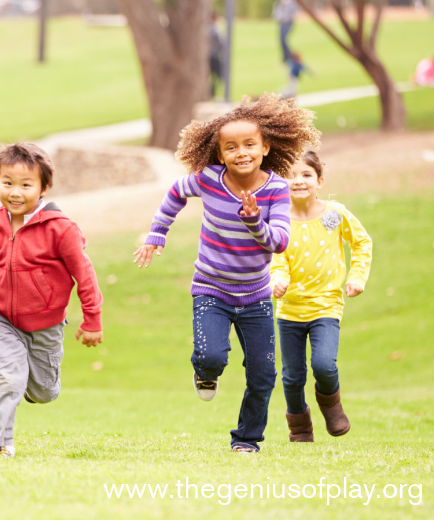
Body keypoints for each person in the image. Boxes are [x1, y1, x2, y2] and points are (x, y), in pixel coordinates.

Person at [133, 93, 320, 452]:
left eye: (250, 144)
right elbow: (175, 192)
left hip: (256, 297)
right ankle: (204, 373)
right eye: (231, 147)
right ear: (220, 154)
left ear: (266, 147)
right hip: (210, 290)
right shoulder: (208, 180)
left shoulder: (277, 191)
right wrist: (158, 232)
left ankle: (247, 440)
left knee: (264, 374)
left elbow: (279, 242)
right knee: (211, 357)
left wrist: (254, 223)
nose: (241, 152)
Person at [0, 142, 104, 458]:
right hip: (2, 321)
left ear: (44, 187)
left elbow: (85, 274)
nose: (15, 192)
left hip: (46, 325)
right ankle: (2, 445)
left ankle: (36, 386)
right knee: (6, 379)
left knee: (43, 391)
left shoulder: (61, 229)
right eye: (7, 183)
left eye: (26, 185)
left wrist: (92, 319)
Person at [271, 150, 372, 442]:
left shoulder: (334, 214)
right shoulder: (279, 222)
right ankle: (300, 427)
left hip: (326, 307)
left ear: (320, 181)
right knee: (292, 377)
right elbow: (275, 259)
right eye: (290, 175)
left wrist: (356, 277)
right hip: (289, 311)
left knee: (324, 365)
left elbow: (362, 242)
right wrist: (277, 280)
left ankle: (331, 405)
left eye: (306, 175)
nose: (298, 181)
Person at [209, 12, 227, 99]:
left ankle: (211, 93)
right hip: (213, 56)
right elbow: (221, 43)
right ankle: (211, 93)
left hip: (211, 56)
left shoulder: (208, 28)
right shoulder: (214, 30)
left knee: (213, 76)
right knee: (219, 75)